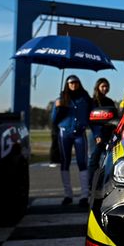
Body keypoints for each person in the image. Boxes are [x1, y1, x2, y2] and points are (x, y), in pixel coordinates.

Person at [51, 75, 93, 207]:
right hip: (65, 134)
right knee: (65, 162)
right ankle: (68, 194)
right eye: (71, 83)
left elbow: (91, 116)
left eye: (76, 83)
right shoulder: (61, 99)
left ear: (79, 84)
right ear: (67, 85)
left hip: (80, 133)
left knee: (82, 162)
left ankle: (85, 195)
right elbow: (54, 120)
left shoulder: (85, 98)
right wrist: (58, 107)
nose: (73, 85)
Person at [88, 77, 115, 188]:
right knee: (94, 160)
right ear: (98, 87)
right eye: (102, 86)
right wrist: (97, 135)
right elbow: (91, 120)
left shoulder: (110, 101)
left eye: (106, 86)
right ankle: (91, 184)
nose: (105, 88)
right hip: (96, 134)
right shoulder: (93, 102)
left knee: (108, 159)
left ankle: (105, 183)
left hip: (108, 134)